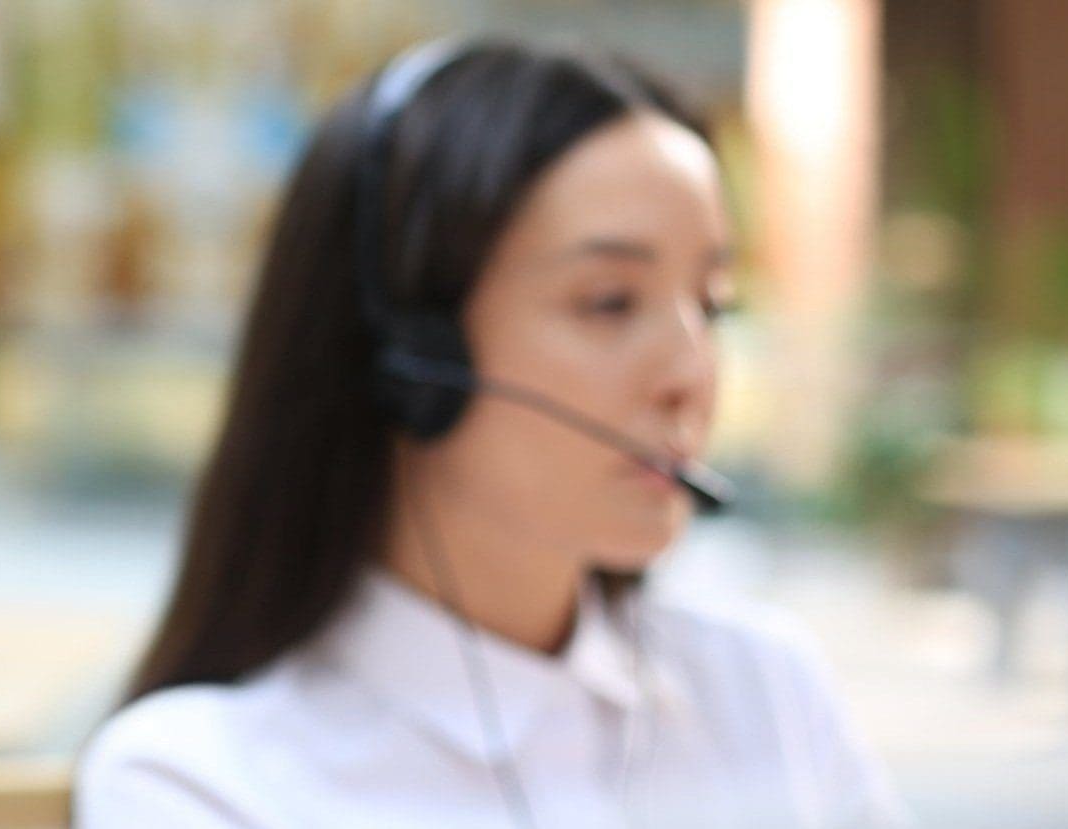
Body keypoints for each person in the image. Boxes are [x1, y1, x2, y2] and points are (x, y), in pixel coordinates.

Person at [75, 40, 905, 828]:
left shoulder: (763, 689)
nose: (692, 374)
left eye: (713, 305)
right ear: (410, 352)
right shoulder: (202, 779)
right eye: (609, 301)